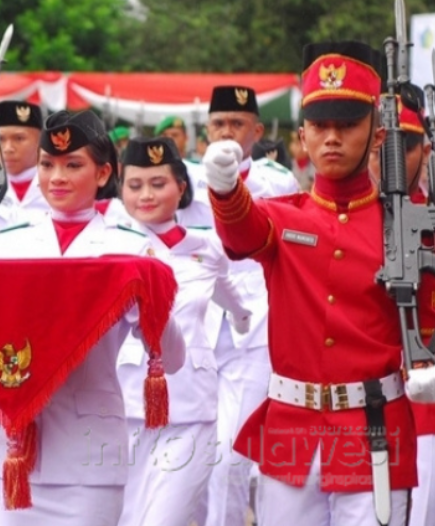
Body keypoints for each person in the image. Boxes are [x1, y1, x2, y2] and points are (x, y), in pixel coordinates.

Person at [205, 40, 419, 526]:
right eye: (320, 126)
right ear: (301, 134)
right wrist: (224, 189)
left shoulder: (403, 225)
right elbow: (243, 232)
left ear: (378, 134)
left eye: (347, 125)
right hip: (292, 430)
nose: (332, 138)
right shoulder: (283, 218)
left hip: (373, 431)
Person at [0, 109, 186, 525]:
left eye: (74, 165)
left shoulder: (129, 249)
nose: (57, 177)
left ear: (104, 172)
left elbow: (173, 359)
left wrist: (150, 301)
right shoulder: (7, 244)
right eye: (47, 165)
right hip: (13, 444)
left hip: (89, 447)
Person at [115, 136, 250, 526]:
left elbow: (237, 306)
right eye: (135, 185)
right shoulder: (110, 249)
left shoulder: (207, 248)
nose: (146, 195)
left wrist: (242, 331)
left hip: (191, 407)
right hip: (123, 408)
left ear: (182, 187)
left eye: (159, 184)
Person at [195, 84, 299, 526]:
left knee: (234, 450)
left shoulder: (280, 182)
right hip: (202, 325)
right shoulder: (188, 182)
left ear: (256, 130)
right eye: (219, 123)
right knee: (202, 447)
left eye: (237, 124)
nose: (227, 132)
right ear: (206, 130)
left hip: (258, 326)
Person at [368, 82, 435, 526]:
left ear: (425, 151)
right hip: (364, 406)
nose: (387, 159)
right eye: (378, 145)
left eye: (403, 146)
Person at [0, 100, 50, 243]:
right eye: (1, 139)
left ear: (41, 141)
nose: (8, 148)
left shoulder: (59, 185)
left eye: (19, 138)